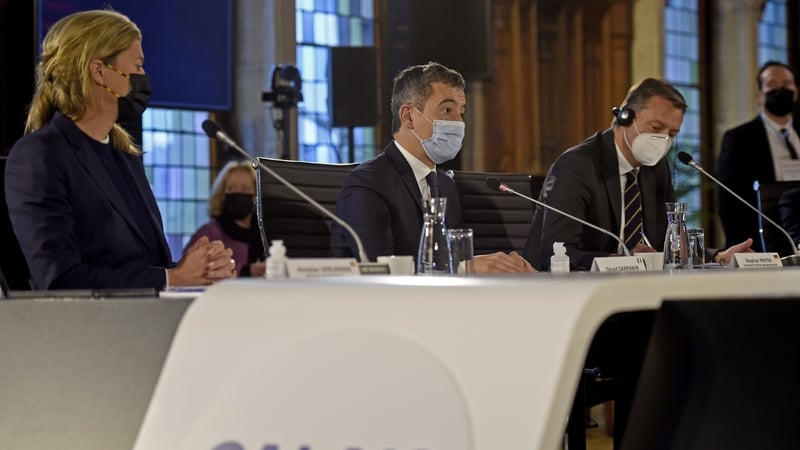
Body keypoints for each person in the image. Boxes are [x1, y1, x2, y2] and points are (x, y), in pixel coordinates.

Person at [4, 9, 236, 290]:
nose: (144, 76)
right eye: (137, 66)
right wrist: (174, 278)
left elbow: (145, 266)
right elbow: (60, 279)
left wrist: (201, 270)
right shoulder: (39, 155)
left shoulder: (124, 154)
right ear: (99, 71)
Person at [524, 77, 753, 271]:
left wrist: (718, 257)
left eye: (672, 133)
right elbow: (554, 254)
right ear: (625, 118)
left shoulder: (656, 168)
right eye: (656, 127)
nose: (664, 140)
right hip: (571, 293)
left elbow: (669, 245)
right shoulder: (578, 166)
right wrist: (618, 261)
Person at [330, 61, 533, 273]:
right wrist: (466, 267)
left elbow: (454, 257)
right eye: (447, 110)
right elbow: (379, 268)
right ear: (408, 116)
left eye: (461, 112)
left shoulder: (446, 185)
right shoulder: (369, 182)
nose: (459, 122)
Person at [718, 60, 800, 252]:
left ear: (796, 92)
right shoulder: (738, 139)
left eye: (787, 84)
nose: (780, 89)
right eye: (772, 84)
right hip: (760, 244)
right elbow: (729, 202)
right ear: (759, 95)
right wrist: (746, 250)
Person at [185, 160, 265, 277]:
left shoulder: (264, 233)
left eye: (245, 189)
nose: (238, 193)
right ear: (222, 194)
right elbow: (190, 271)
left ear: (256, 195)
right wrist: (247, 271)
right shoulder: (208, 234)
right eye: (231, 189)